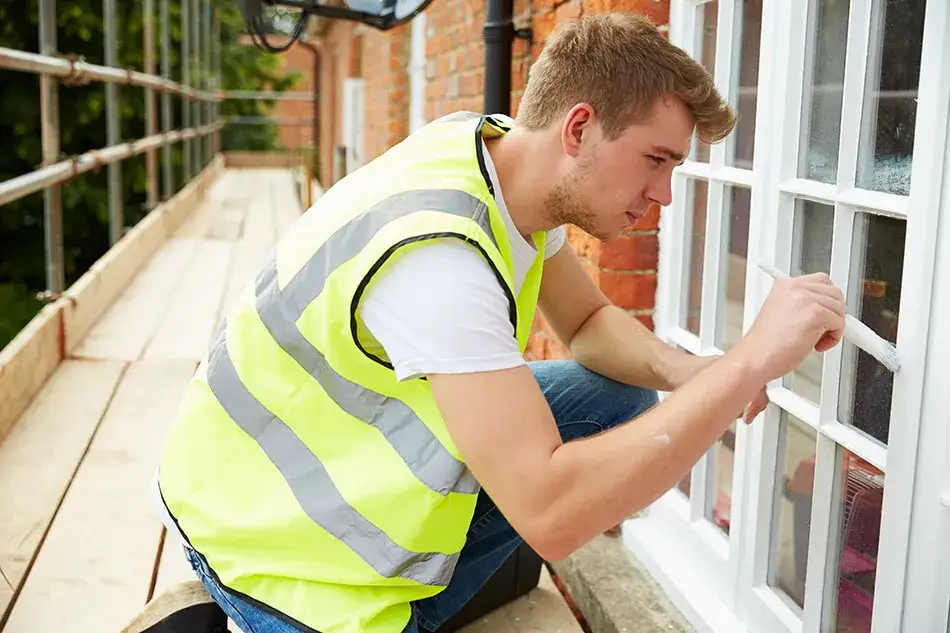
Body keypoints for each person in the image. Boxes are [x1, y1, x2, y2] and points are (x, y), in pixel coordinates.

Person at [124, 11, 846, 633]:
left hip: (326, 461)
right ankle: (242, 605)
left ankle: (416, 595)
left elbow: (589, 320)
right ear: (581, 127)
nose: (663, 191)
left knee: (618, 400)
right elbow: (553, 514)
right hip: (276, 547)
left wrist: (699, 372)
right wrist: (750, 362)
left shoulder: (497, 158)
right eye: (655, 160)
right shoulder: (439, 261)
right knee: (545, 488)